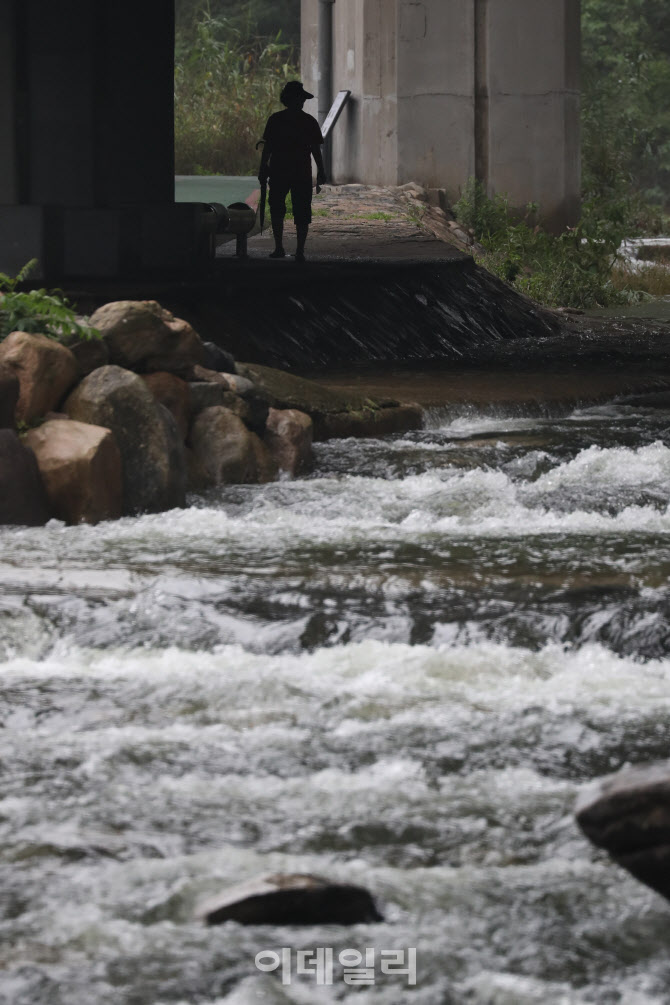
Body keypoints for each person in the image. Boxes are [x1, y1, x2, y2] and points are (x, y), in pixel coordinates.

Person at [258, 80, 327, 263]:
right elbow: (315, 150)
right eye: (300, 98)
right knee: (296, 211)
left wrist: (263, 167)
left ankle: (286, 249)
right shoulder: (307, 121)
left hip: (283, 171)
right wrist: (321, 170)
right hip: (296, 172)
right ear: (293, 100)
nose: (302, 102)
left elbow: (268, 148)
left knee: (282, 209)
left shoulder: (277, 120)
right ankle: (296, 250)